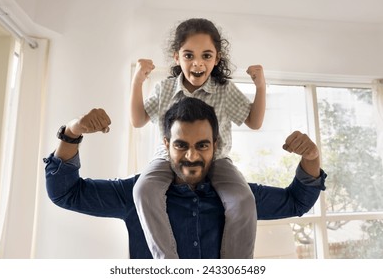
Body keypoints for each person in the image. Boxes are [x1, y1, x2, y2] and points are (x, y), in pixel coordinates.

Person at [45, 97, 326, 259]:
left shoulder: (239, 197)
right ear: (166, 145)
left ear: (215, 146)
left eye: (202, 145)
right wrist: (72, 132)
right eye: (181, 145)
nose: (191, 156)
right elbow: (65, 193)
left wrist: (312, 157)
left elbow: (296, 202)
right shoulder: (135, 194)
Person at [130, 18, 266, 259]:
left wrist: (261, 87)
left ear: (217, 58)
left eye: (206, 55)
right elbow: (138, 119)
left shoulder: (224, 90)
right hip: (167, 159)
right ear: (176, 57)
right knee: (143, 190)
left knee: (244, 200)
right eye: (189, 55)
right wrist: (138, 80)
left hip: (217, 160)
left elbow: (254, 122)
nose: (197, 63)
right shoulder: (165, 89)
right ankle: (168, 262)